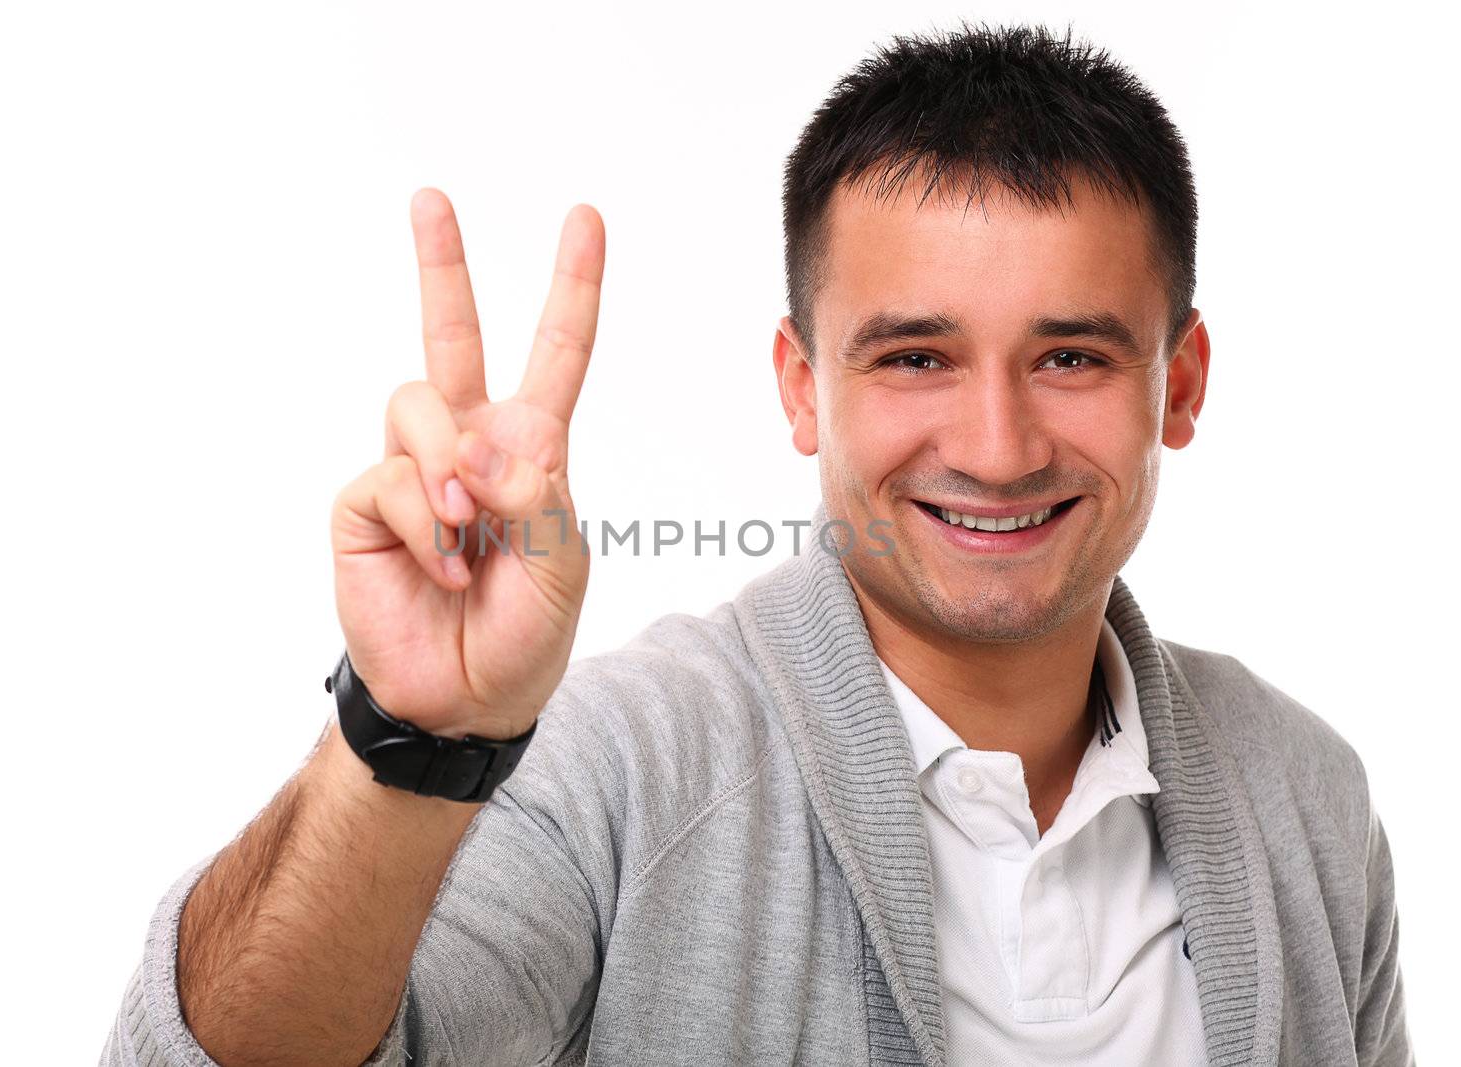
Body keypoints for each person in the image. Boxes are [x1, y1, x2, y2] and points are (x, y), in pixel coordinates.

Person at [99, 23, 1412, 1067]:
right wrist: (406, 734)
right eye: (916, 356)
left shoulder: (1302, 792)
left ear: (1178, 385)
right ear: (802, 388)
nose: (1000, 445)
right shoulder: (622, 766)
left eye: (1070, 354)